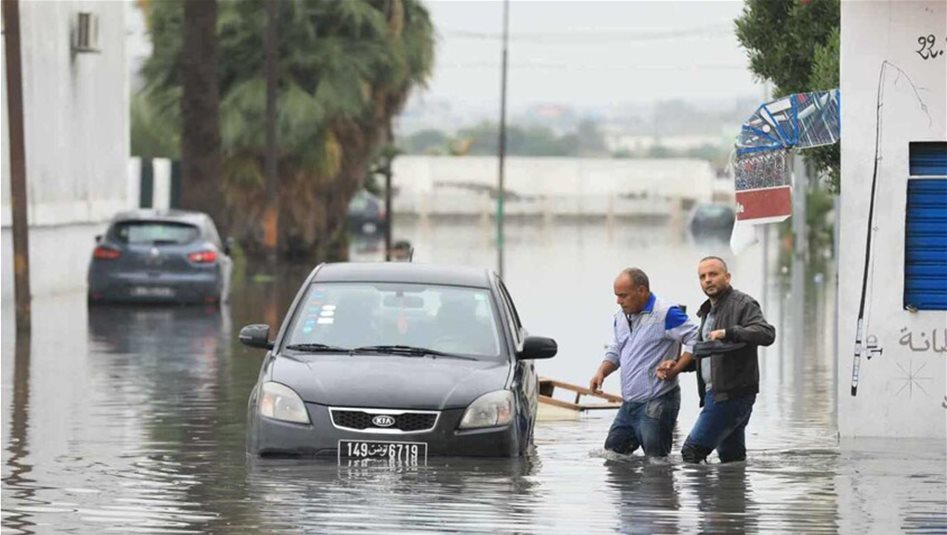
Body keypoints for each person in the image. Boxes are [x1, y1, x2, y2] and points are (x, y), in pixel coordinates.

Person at [656, 256, 775, 463]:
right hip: (716, 393)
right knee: (732, 459)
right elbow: (709, 354)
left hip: (731, 396)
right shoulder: (708, 312)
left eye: (713, 274)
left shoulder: (742, 304)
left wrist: (729, 332)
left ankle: (704, 496)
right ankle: (730, 494)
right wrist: (679, 366)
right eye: (702, 277)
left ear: (727, 277)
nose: (708, 280)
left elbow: (766, 333)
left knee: (692, 453)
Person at [589, 267, 699, 457]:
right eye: (617, 296)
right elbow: (616, 349)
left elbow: (696, 339)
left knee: (657, 463)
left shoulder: (666, 313)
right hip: (629, 404)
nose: (618, 301)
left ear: (641, 291)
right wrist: (601, 372)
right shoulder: (621, 317)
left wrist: (676, 368)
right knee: (613, 455)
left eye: (623, 295)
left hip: (658, 401)